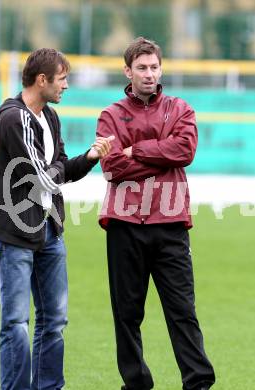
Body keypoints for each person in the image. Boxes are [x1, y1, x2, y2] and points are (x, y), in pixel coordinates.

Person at [0, 48, 113, 390]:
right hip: (15, 233)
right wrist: (57, 167)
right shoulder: (14, 118)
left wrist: (89, 157)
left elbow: (61, 170)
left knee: (54, 321)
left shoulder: (50, 117)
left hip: (49, 230)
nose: (67, 86)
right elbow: (41, 177)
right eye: (63, 79)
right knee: (16, 323)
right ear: (41, 80)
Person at [96, 37, 215, 390]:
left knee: (182, 312)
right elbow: (112, 166)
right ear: (127, 71)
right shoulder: (111, 115)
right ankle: (136, 383)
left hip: (171, 223)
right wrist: (155, 155)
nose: (149, 74)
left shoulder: (180, 109)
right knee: (127, 314)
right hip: (124, 224)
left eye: (154, 67)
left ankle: (198, 383)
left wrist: (135, 150)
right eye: (142, 68)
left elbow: (184, 150)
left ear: (161, 69)